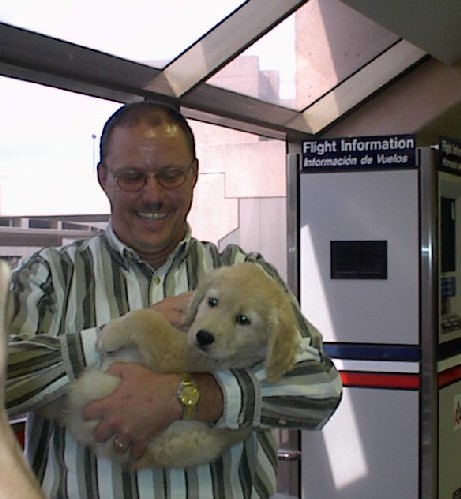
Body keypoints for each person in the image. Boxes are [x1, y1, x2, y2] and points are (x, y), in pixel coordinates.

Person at [6, 101, 342, 499]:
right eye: (132, 177)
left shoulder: (242, 272)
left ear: (194, 174)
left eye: (170, 175)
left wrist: (190, 396)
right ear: (103, 178)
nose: (153, 195)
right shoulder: (49, 274)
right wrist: (103, 340)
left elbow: (320, 388)